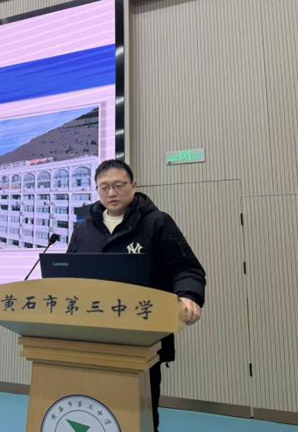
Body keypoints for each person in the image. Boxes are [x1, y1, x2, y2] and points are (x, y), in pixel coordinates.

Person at [66, 159, 206, 431]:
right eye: (104, 187)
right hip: (91, 333)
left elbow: (187, 268)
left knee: (140, 413)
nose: (112, 193)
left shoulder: (157, 222)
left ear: (134, 186)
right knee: (94, 410)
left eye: (119, 185)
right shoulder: (84, 229)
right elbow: (68, 274)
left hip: (140, 335)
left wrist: (189, 295)